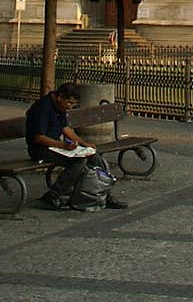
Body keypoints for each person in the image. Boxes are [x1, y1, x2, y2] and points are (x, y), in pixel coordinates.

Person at [25, 82, 126, 211]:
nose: (71, 107)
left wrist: (84, 144)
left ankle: (104, 194)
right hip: (40, 149)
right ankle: (52, 196)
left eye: (73, 104)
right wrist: (63, 145)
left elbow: (64, 128)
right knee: (79, 161)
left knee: (93, 155)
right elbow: (39, 137)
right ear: (60, 97)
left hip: (56, 146)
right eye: (69, 103)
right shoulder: (43, 107)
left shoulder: (60, 107)